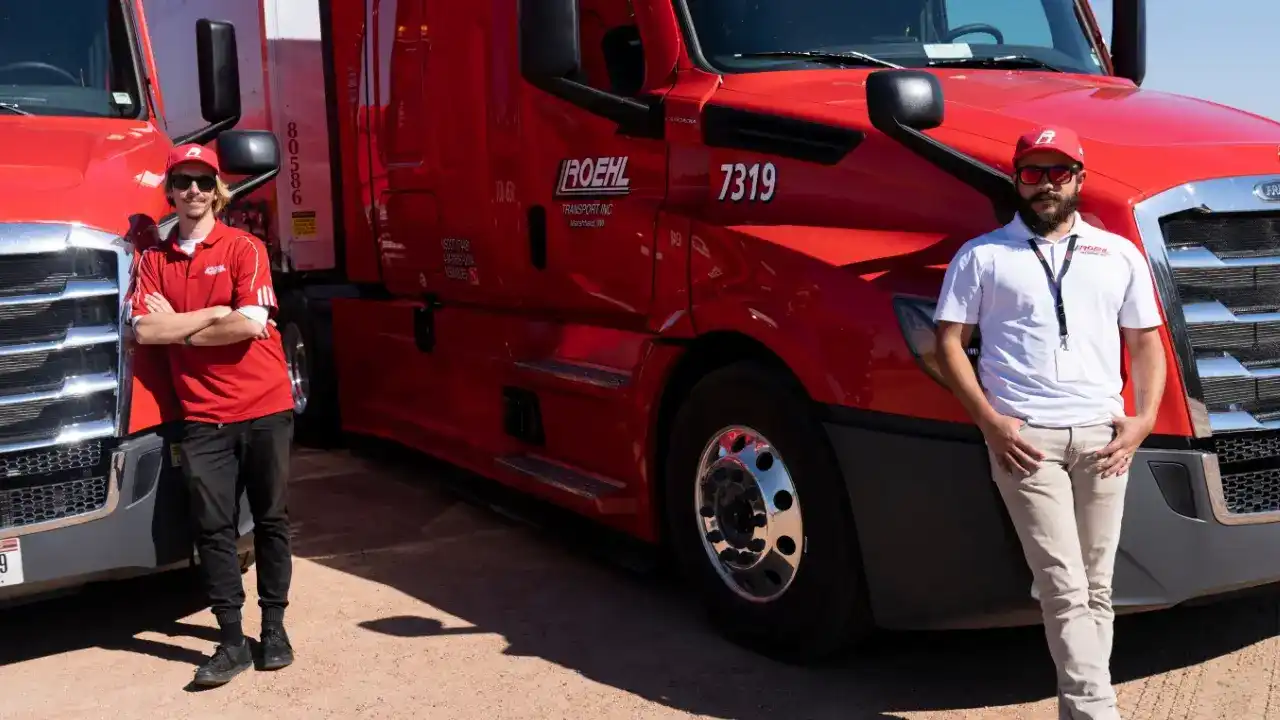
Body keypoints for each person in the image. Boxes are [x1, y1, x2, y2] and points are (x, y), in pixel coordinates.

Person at [932, 125, 1166, 720]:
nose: (1045, 185)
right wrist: (990, 422)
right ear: (1016, 180)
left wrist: (1141, 424)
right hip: (1025, 442)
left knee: (1097, 587)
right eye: (1033, 173)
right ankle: (1099, 713)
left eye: (1058, 172)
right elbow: (950, 343)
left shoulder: (1118, 254)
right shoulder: (982, 255)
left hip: (1105, 438)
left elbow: (1145, 344)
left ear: (1079, 180)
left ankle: (1078, 711)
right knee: (1063, 586)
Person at [129, 143, 298, 687]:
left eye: (203, 181)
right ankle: (231, 641)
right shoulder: (153, 259)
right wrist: (207, 314)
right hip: (202, 414)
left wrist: (178, 325)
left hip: (265, 405)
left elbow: (249, 324)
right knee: (213, 529)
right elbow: (144, 331)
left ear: (217, 189)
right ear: (171, 190)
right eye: (183, 182)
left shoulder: (245, 247)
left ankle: (273, 628)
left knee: (270, 521)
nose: (193, 191)